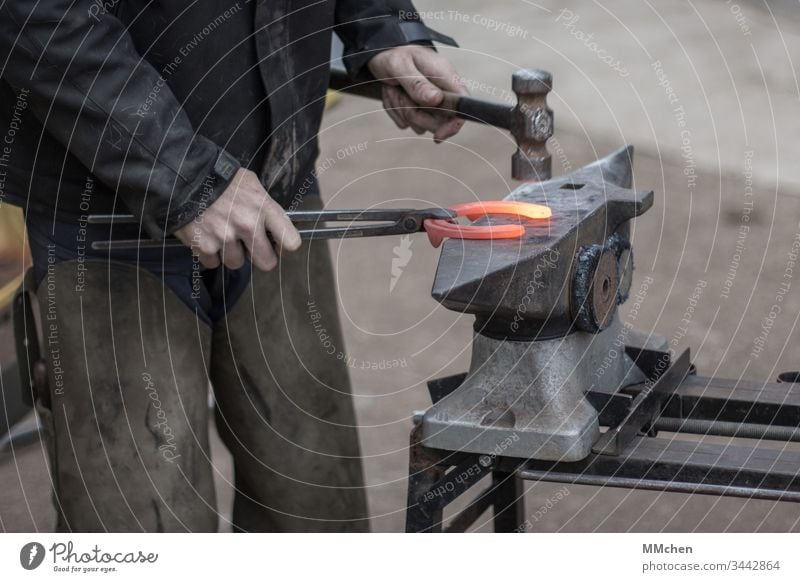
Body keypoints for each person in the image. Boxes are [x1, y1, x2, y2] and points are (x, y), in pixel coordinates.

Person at [0, 1, 467, 532]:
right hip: (103, 213)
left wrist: (383, 28)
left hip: (276, 181)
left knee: (316, 508)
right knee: (140, 526)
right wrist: (183, 174)